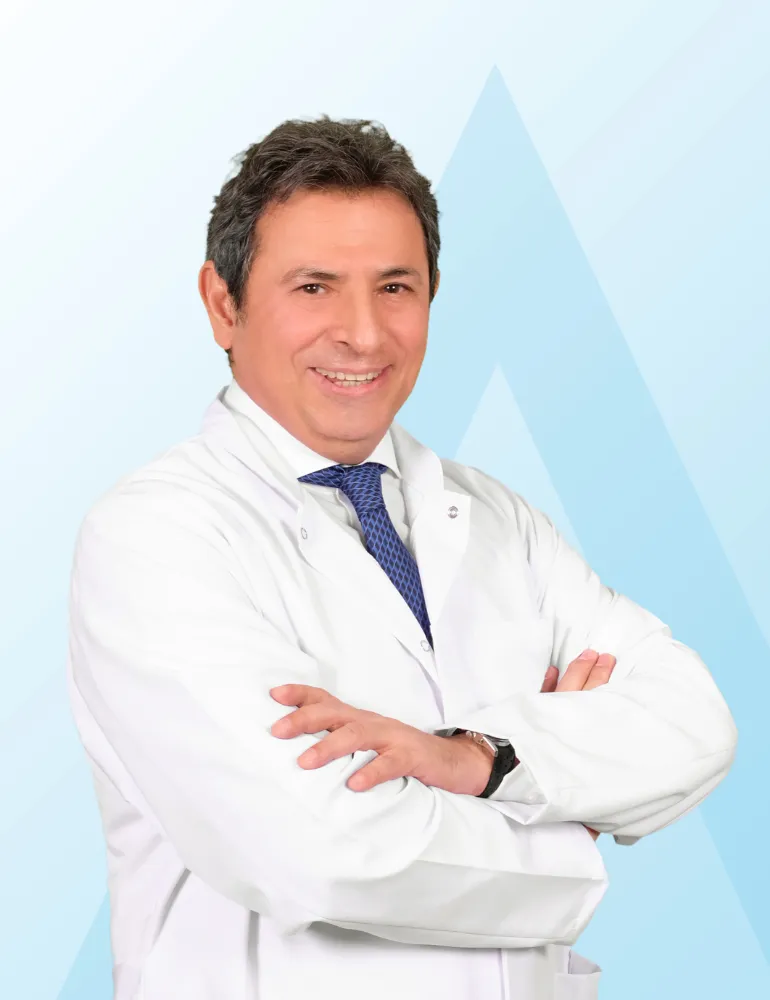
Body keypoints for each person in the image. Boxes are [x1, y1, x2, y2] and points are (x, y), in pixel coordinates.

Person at [67, 115, 737, 1000]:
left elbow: (696, 723)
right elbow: (321, 851)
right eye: (314, 287)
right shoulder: (157, 537)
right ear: (223, 304)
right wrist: (569, 828)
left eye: (395, 287)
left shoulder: (497, 518)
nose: (364, 334)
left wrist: (482, 759)